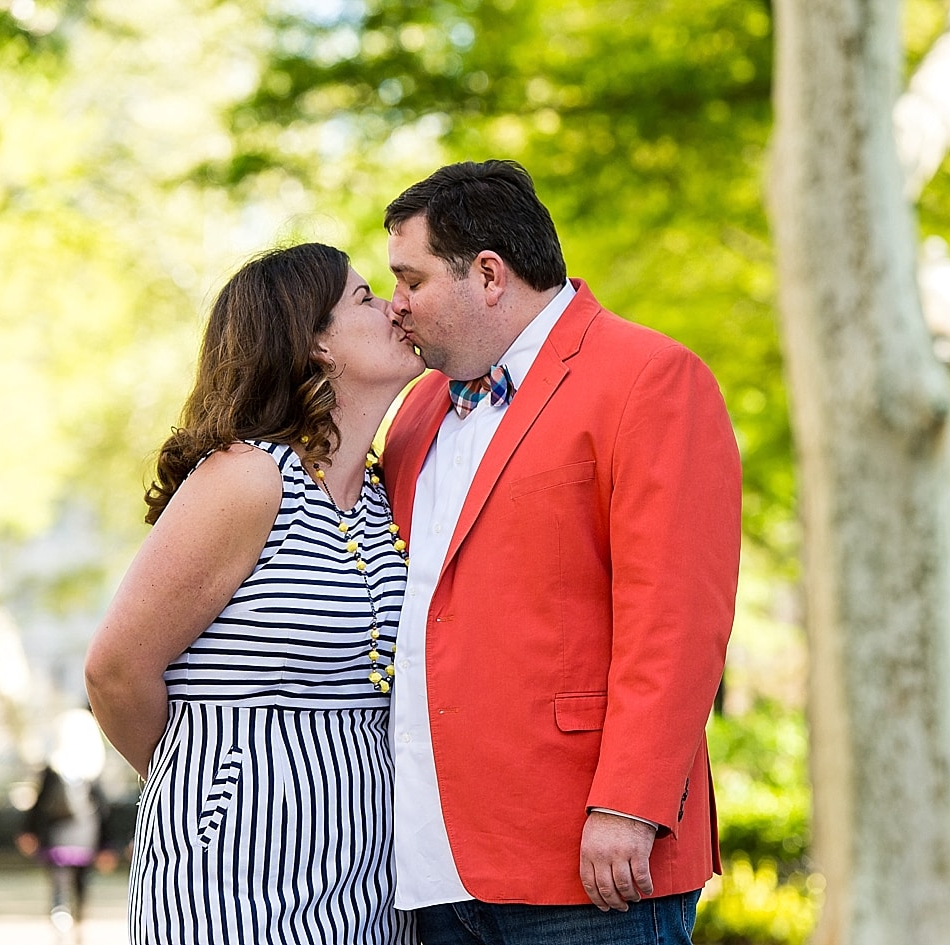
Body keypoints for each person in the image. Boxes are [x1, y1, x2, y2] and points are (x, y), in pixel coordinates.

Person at [380, 159, 741, 944]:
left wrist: (630, 803)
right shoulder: (413, 413)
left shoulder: (650, 378)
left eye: (409, 280)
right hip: (429, 868)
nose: (393, 305)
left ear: (487, 274)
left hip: (591, 865)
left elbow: (677, 617)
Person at [84, 242, 423, 945]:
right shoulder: (248, 478)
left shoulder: (384, 493)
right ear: (315, 343)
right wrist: (211, 776)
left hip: (368, 872)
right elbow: (115, 670)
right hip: (232, 873)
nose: (395, 305)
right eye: (365, 297)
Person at [17, 707, 119, 941]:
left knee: (58, 888)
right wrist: (107, 845)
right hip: (85, 840)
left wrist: (27, 831)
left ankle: (60, 921)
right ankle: (78, 927)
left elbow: (38, 804)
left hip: (55, 839)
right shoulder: (91, 771)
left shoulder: (52, 770)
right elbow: (103, 810)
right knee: (80, 887)